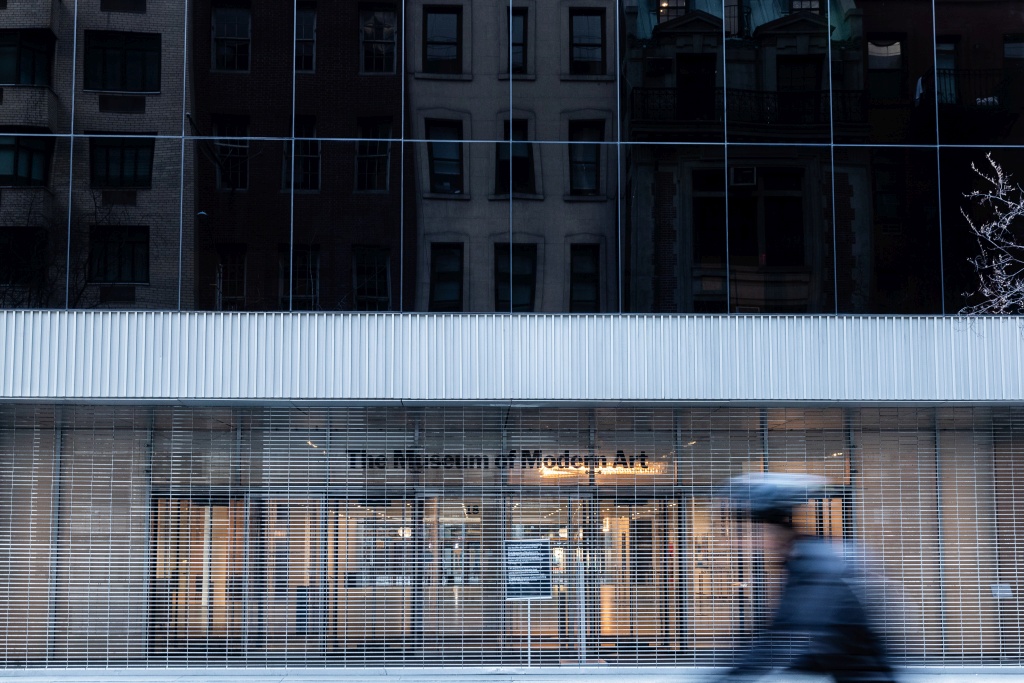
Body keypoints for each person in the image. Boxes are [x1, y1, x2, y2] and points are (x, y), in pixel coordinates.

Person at [714, 473, 898, 683]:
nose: (743, 543)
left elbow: (785, 636)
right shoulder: (802, 561)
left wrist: (732, 677)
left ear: (772, 531)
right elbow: (812, 640)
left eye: (753, 531)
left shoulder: (814, 564)